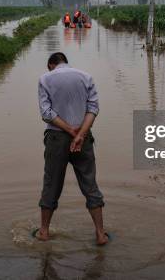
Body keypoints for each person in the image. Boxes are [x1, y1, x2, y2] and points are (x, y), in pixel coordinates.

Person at [36, 52, 108, 245]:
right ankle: (100, 234)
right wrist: (80, 135)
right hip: (83, 138)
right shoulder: (86, 77)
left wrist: (69, 129)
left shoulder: (45, 78)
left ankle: (43, 232)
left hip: (57, 138)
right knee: (90, 184)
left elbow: (46, 112)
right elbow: (93, 108)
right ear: (65, 62)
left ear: (51, 65)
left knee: (51, 184)